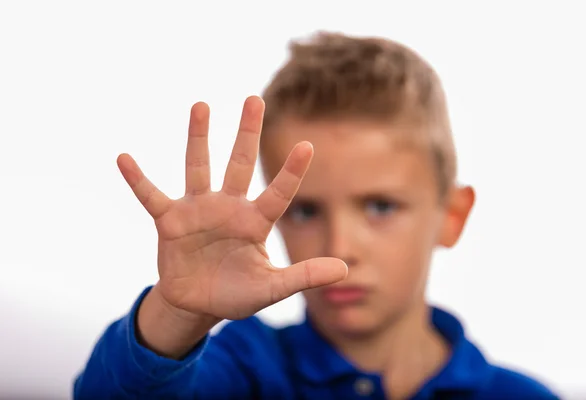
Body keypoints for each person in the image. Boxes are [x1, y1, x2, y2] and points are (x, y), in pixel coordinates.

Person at [74, 31, 558, 399]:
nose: (339, 247)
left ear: (452, 216)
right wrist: (175, 315)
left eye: (380, 206)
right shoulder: (244, 368)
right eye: (304, 210)